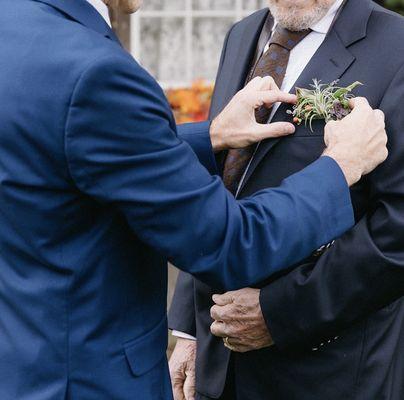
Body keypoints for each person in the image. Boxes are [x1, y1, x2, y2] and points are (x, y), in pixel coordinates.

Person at [0, 0, 387, 399]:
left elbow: (59, 151)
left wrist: (212, 135)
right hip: (86, 378)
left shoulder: (12, 25)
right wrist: (339, 167)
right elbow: (227, 240)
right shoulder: (95, 72)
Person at [169, 0, 404, 399]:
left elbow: (397, 231)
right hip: (219, 367)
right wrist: (188, 329)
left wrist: (279, 313)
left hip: (328, 372)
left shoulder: (396, 46)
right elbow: (218, 186)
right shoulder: (242, 35)